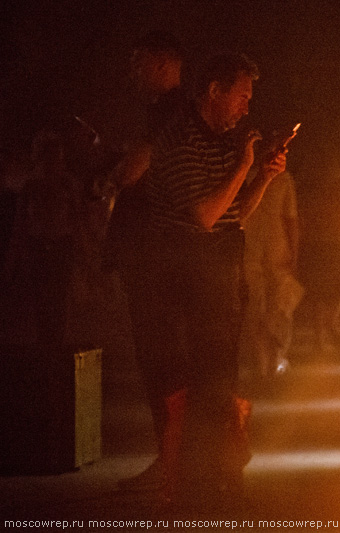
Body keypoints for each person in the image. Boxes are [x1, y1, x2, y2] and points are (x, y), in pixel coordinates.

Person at [141, 51, 286, 505]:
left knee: (224, 382)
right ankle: (189, 485)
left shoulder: (227, 141)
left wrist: (261, 175)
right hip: (184, 282)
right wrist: (244, 164)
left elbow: (234, 214)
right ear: (214, 91)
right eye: (241, 97)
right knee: (196, 385)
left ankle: (224, 476)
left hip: (223, 276)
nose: (246, 107)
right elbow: (205, 216)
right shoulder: (180, 139)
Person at [108, 31, 188, 493]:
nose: (132, 71)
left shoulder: (168, 113)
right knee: (164, 361)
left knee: (162, 361)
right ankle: (173, 460)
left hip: (155, 257)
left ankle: (172, 464)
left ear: (163, 64)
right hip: (160, 255)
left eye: (139, 61)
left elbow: (132, 171)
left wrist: (113, 172)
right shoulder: (175, 114)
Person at [3, 129, 88, 347]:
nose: (53, 164)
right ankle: (45, 351)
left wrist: (83, 255)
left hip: (61, 247)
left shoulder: (67, 185)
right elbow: (20, 226)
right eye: (48, 158)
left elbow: (76, 222)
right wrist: (10, 264)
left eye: (56, 159)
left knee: (60, 301)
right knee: (40, 302)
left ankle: (56, 349)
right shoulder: (30, 187)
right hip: (37, 248)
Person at [240, 169, 301, 382]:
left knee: (256, 307)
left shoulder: (242, 174)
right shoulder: (283, 177)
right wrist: (294, 254)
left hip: (250, 248)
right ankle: (274, 361)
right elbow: (290, 219)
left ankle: (264, 364)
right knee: (279, 308)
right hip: (276, 248)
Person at [298, 155, 340, 354]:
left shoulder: (314, 191)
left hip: (320, 244)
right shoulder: (337, 189)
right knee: (330, 292)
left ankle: (322, 334)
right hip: (330, 243)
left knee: (323, 293)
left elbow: (302, 220)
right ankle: (327, 330)